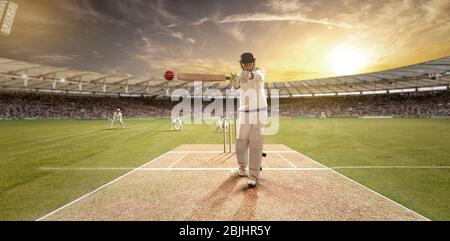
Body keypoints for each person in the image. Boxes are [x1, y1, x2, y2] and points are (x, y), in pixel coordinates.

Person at [233, 52, 267, 188]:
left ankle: (253, 176)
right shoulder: (238, 76)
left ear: (253, 63)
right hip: (244, 113)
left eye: (249, 63)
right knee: (240, 144)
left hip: (260, 112)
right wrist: (234, 81)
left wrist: (242, 76)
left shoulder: (260, 71)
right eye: (245, 63)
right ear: (242, 64)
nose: (248, 65)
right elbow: (234, 89)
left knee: (255, 144)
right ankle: (242, 167)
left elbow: (257, 77)